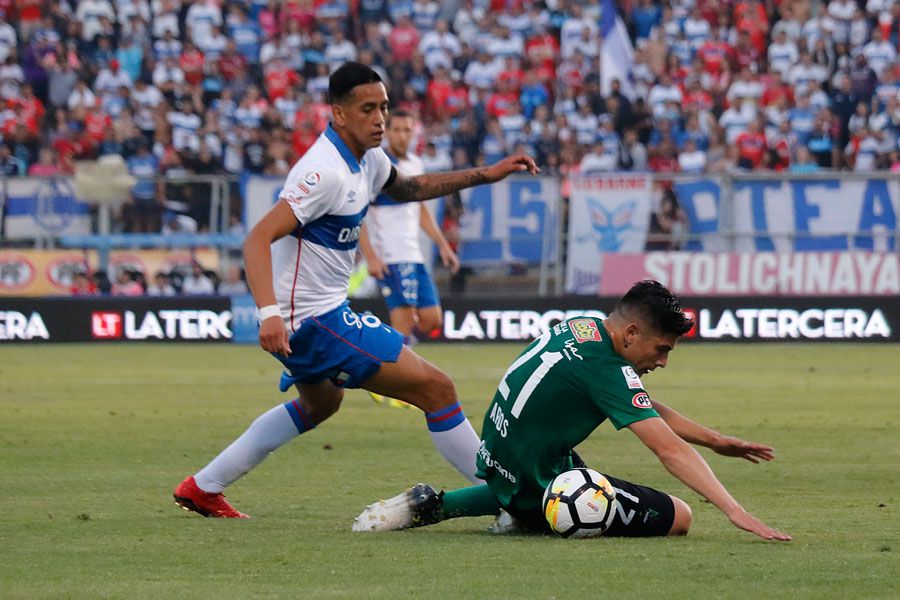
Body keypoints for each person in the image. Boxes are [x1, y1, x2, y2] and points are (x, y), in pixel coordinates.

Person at [173, 62, 538, 518]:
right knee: (437, 389)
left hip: (319, 313)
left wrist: (487, 174)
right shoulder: (322, 173)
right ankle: (510, 502)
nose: (380, 119)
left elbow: (410, 188)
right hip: (311, 321)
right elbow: (256, 239)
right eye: (368, 109)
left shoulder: (368, 158)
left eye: (383, 107)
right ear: (339, 114)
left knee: (320, 404)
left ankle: (202, 487)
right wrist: (267, 313)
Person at [353, 280, 791, 542]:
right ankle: (524, 514)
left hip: (502, 457)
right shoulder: (606, 369)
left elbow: (641, 404)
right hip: (535, 474)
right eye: (661, 349)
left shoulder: (584, 326)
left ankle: (434, 504)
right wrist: (735, 511)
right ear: (633, 332)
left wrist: (715, 440)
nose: (661, 361)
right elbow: (669, 450)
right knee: (680, 516)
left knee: (549, 486)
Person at [358, 109, 460, 408]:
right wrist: (371, 256)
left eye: (407, 130)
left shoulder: (415, 163)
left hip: (414, 255)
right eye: (397, 129)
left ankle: (374, 369)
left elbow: (421, 210)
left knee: (431, 319)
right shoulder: (377, 164)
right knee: (402, 322)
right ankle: (396, 387)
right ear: (387, 132)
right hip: (390, 255)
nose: (402, 135)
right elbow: (360, 214)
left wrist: (442, 245)